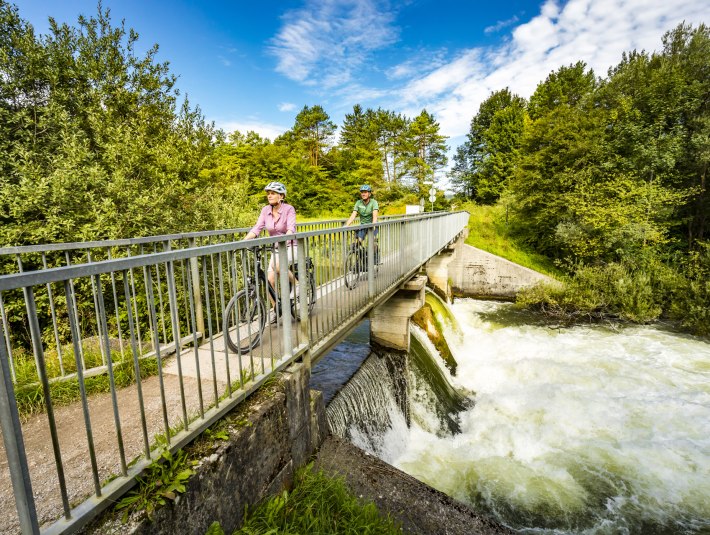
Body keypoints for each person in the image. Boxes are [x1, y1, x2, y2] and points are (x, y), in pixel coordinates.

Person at [243, 181, 297, 318]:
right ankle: (276, 309)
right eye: (268, 193)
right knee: (269, 280)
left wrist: (285, 239)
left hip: (290, 246)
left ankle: (297, 284)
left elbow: (291, 228)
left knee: (277, 266)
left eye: (273, 193)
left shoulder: (289, 209)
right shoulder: (265, 210)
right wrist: (243, 242)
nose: (269, 196)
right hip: (276, 248)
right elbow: (257, 228)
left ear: (281, 196)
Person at [344, 184, 380, 264]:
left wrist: (373, 225)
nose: (363, 194)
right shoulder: (358, 203)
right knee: (358, 242)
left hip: (372, 225)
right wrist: (347, 225)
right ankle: (362, 258)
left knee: (372, 242)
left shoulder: (374, 202)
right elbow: (353, 215)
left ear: (369, 194)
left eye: (365, 192)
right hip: (363, 225)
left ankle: (376, 258)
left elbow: (375, 216)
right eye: (362, 192)